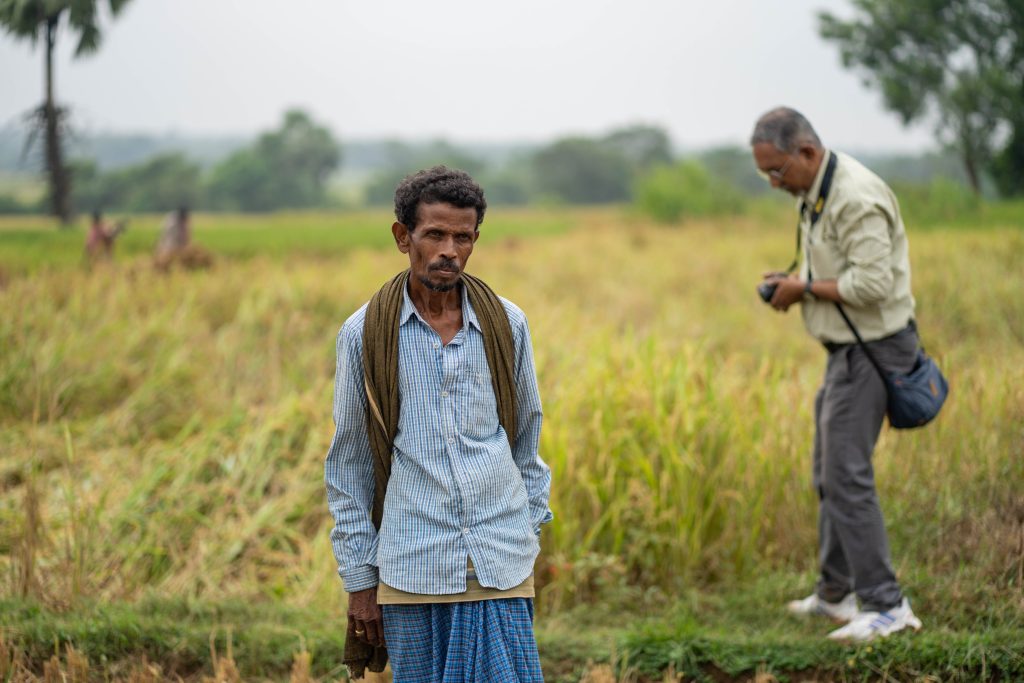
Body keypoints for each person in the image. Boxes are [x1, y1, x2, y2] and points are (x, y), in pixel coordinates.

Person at [324, 166, 552, 681]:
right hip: (412, 568)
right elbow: (350, 465)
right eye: (435, 235)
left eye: (463, 237)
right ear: (403, 237)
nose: (449, 249)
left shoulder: (506, 324)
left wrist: (526, 530)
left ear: (475, 240)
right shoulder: (364, 334)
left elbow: (526, 443)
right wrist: (361, 581)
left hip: (502, 565)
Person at [750, 107, 923, 642]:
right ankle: (835, 595)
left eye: (778, 170)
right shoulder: (817, 192)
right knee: (829, 471)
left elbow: (872, 284)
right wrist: (796, 280)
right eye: (766, 175)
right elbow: (839, 270)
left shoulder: (855, 197)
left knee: (847, 476)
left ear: (806, 152)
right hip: (846, 350)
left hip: (871, 350)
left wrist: (803, 289)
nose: (775, 183)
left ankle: (888, 606)